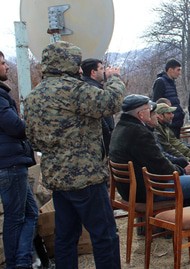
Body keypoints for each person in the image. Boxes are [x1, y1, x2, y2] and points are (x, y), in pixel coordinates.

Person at [24, 41, 122, 267]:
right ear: (68, 62)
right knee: (104, 235)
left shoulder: (33, 97)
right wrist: (114, 78)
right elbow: (111, 102)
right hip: (85, 178)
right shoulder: (74, 90)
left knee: (65, 237)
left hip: (57, 180)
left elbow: (33, 139)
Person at [108, 95, 190, 244]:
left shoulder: (120, 128)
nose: (151, 113)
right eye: (149, 110)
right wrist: (182, 170)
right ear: (141, 114)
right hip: (147, 191)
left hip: (130, 190)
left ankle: (186, 221)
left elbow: (157, 162)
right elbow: (160, 165)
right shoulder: (139, 133)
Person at [0, 50, 39, 269]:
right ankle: (17, 264)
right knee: (16, 219)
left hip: (12, 162)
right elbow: (14, 126)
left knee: (31, 213)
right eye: (3, 63)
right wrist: (28, 125)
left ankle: (23, 260)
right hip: (10, 165)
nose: (6, 67)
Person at [81, 58, 115, 157]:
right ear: (93, 72)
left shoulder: (90, 86)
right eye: (101, 69)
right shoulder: (92, 89)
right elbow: (110, 105)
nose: (104, 71)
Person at [152, 59, 185, 138]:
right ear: (170, 70)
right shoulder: (160, 82)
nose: (179, 73)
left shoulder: (171, 82)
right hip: (169, 124)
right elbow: (157, 104)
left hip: (176, 122)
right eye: (178, 70)